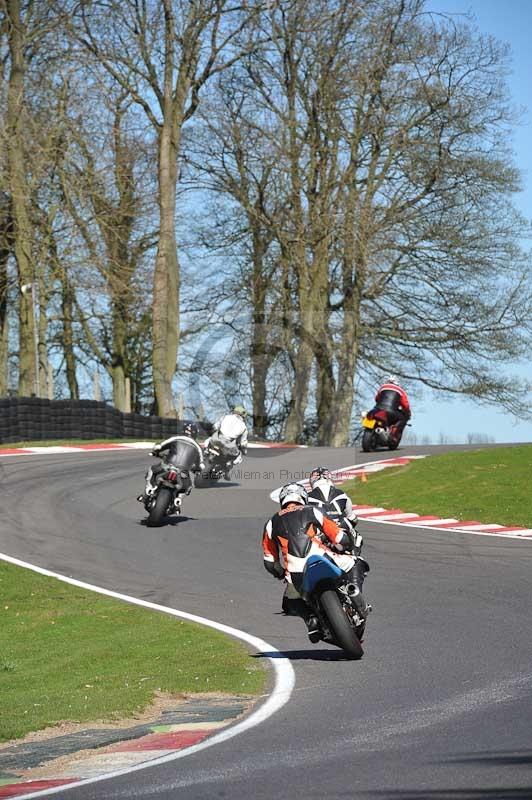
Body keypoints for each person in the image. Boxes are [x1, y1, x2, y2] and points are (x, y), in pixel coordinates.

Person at [262, 482, 370, 643]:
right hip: (323, 557)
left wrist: (279, 573)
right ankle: (355, 592)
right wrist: (345, 544)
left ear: (282, 500)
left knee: (289, 602)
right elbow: (339, 537)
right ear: (304, 498)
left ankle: (310, 620)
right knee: (356, 562)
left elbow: (270, 561)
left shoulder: (271, 523)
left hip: (296, 572)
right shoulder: (312, 510)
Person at [137, 422, 205, 511]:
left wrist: (155, 452)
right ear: (195, 433)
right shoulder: (198, 447)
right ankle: (178, 501)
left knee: (152, 470)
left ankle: (148, 490)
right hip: (183, 472)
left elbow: (160, 446)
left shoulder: (175, 438)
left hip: (167, 466)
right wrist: (197, 470)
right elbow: (201, 464)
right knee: (188, 487)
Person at [307, 466, 363, 555]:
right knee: (357, 535)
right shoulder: (342, 494)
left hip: (321, 531)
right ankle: (355, 557)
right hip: (338, 529)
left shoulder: (307, 497)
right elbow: (352, 518)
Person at [203, 405, 249, 480]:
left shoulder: (225, 417)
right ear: (243, 415)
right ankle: (227, 469)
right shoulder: (244, 427)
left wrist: (214, 432)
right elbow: (243, 443)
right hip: (228, 445)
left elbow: (215, 426)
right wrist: (244, 450)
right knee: (239, 456)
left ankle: (205, 452)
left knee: (209, 439)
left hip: (216, 439)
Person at [374, 375, 411, 441]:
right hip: (391, 411)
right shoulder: (401, 390)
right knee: (403, 418)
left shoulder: (383, 387)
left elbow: (377, 398)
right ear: (397, 382)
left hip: (378, 410)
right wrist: (408, 412)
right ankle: (394, 431)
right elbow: (405, 405)